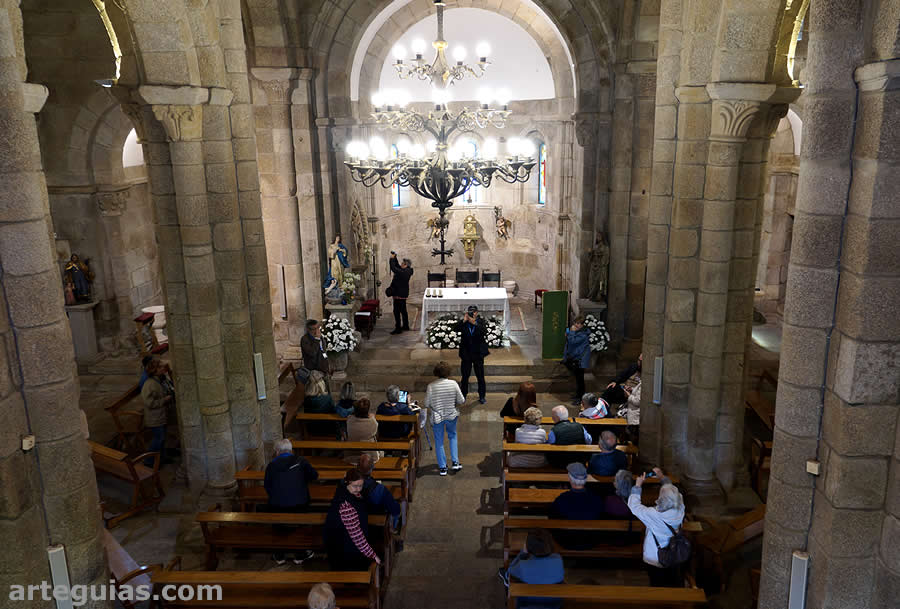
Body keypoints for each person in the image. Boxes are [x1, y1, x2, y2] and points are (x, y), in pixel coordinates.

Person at [627, 467, 686, 587]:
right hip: (674, 552)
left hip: (655, 557)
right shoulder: (681, 508)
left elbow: (634, 506)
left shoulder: (653, 515)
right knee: (672, 577)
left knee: (656, 581)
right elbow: (674, 493)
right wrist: (661, 476)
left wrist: (638, 485)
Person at [264, 438, 319, 565]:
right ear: (291, 450)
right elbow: (314, 476)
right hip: (299, 504)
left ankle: (279, 555)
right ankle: (301, 553)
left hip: (277, 505)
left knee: (278, 524)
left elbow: (267, 486)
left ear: (277, 452)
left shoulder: (271, 466)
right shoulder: (301, 461)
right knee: (302, 522)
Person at [324, 469, 383, 571]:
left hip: (347, 544)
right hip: (344, 551)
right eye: (355, 486)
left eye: (360, 485)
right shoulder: (346, 505)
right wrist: (373, 555)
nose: (358, 489)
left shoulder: (347, 491)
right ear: (347, 483)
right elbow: (357, 537)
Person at [498, 529, 564, 609]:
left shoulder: (523, 566)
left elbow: (510, 569)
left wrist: (523, 553)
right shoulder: (558, 559)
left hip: (527, 605)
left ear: (528, 547)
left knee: (508, 576)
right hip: (554, 605)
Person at [549, 463, 607, 550]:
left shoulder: (561, 499)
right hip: (591, 541)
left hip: (566, 541)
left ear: (570, 479)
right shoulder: (597, 499)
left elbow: (552, 520)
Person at [425, 361, 465, 476]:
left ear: (436, 372)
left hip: (437, 417)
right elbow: (461, 400)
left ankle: (442, 467)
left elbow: (427, 404)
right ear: (448, 372)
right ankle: (455, 462)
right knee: (453, 436)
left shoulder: (431, 386)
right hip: (451, 415)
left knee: (439, 441)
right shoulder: (453, 384)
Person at [140, 357, 174, 466]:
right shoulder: (149, 384)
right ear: (154, 370)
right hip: (154, 418)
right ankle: (148, 461)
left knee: (162, 439)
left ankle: (162, 459)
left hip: (160, 416)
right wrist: (164, 400)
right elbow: (149, 403)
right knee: (158, 440)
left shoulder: (158, 379)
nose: (163, 368)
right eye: (160, 367)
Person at [357, 453, 402, 531]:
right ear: (372, 468)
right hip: (374, 526)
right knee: (396, 510)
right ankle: (394, 530)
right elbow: (394, 509)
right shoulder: (380, 489)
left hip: (353, 521)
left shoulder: (345, 483)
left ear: (357, 467)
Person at [457, 305, 489, 404]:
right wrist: (464, 320)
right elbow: (456, 329)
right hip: (466, 354)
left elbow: (484, 331)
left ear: (477, 312)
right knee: (465, 377)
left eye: (474, 312)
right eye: (470, 312)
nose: (472, 313)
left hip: (478, 354)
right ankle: (463, 395)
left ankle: (482, 396)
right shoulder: (464, 322)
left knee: (480, 377)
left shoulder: (480, 321)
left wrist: (474, 323)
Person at [562, 316, 591, 405]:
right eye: (575, 322)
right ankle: (578, 395)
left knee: (580, 379)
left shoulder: (583, 334)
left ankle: (580, 398)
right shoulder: (577, 331)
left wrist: (571, 332)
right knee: (577, 378)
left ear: (583, 325)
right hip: (574, 358)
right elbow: (568, 336)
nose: (575, 325)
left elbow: (572, 342)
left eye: (578, 323)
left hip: (580, 360)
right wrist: (569, 332)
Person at [345, 398, 382, 465]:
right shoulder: (373, 422)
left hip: (352, 454)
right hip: (369, 456)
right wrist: (372, 417)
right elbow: (375, 434)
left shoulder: (350, 419)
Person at [387, 253, 413, 334]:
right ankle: (406, 326)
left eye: (402, 263)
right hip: (403, 294)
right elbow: (397, 266)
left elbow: (394, 268)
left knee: (396, 311)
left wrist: (391, 259)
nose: (401, 264)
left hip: (399, 294)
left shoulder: (403, 272)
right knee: (403, 311)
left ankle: (398, 328)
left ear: (405, 265)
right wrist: (395, 258)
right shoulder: (407, 270)